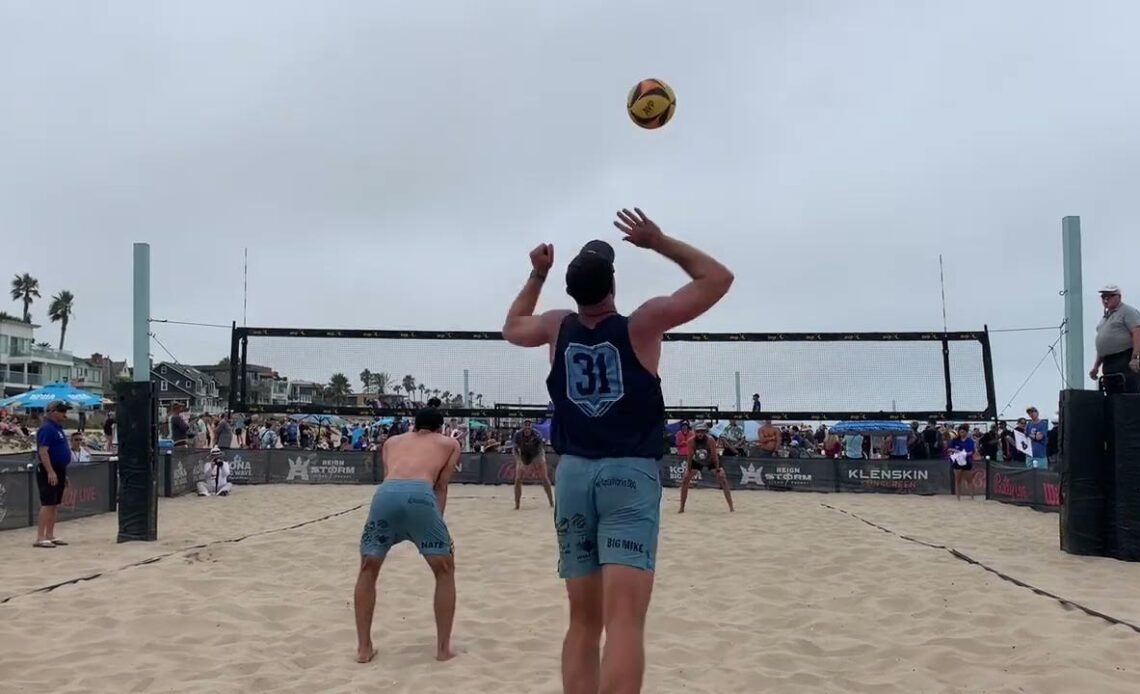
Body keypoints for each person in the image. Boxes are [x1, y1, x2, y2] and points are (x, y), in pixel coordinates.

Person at [501, 207, 733, 693]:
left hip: (574, 476)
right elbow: (718, 278)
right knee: (624, 622)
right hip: (629, 475)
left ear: (571, 291)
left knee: (582, 622)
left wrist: (537, 272)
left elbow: (511, 326)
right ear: (613, 285)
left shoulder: (556, 326)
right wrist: (658, 241)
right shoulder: (641, 325)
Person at [354, 406, 460, 665]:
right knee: (444, 570)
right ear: (439, 428)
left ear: (414, 425)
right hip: (421, 497)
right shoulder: (449, 443)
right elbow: (441, 486)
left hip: (386, 495)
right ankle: (443, 649)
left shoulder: (392, 442)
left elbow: (393, 472)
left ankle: (364, 648)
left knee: (368, 567)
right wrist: (438, 524)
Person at [34, 401, 74, 548]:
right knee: (47, 503)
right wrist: (50, 471)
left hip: (59, 468)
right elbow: (43, 451)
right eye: (62, 410)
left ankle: (50, 534)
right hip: (48, 469)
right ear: (52, 412)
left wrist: (62, 472)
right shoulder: (47, 428)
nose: (65, 414)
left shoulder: (58, 428)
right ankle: (40, 537)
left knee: (55, 504)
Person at [1090, 284, 1140, 394]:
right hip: (1109, 362)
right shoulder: (1106, 318)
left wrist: (1135, 357)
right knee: (1112, 393)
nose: (1106, 299)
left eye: (1110, 296)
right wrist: (1096, 366)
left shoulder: (1127, 311)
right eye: (1103, 297)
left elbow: (1137, 332)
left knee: (1127, 392)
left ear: (1118, 297)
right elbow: (1103, 345)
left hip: (1124, 357)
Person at [678, 422, 734, 513]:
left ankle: (731, 507)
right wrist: (688, 470)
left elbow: (714, 455)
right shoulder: (691, 441)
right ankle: (682, 507)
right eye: (698, 432)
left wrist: (717, 469)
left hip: (710, 460)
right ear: (695, 432)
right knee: (685, 480)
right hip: (697, 460)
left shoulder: (710, 440)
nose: (700, 434)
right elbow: (690, 456)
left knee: (722, 478)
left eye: (702, 432)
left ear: (705, 432)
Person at [512, 419, 553, 510]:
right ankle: (517, 505)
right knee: (518, 479)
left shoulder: (537, 435)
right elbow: (515, 450)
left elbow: (539, 450)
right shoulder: (518, 435)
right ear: (523, 428)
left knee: (544, 477)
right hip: (523, 454)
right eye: (525, 427)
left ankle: (551, 502)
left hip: (536, 454)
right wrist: (519, 461)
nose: (527, 429)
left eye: (528, 427)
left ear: (531, 428)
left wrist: (536, 463)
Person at [948, 424, 978, 500]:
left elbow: (972, 451)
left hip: (967, 461)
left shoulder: (970, 441)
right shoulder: (955, 440)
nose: (962, 433)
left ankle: (971, 497)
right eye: (960, 432)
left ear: (966, 432)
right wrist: (955, 451)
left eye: (963, 432)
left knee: (969, 480)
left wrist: (964, 454)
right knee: (958, 480)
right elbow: (949, 449)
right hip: (957, 462)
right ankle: (958, 498)